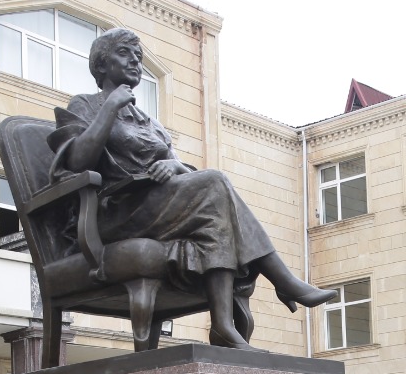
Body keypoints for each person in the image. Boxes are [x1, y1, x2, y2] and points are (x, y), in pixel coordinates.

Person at [52, 28, 334, 348]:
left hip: (158, 208)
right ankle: (284, 282)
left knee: (216, 216)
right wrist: (109, 108)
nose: (135, 61)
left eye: (139, 56)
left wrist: (174, 166)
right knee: (215, 183)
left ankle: (224, 326)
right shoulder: (85, 105)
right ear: (101, 66)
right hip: (116, 213)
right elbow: (77, 162)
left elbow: (180, 168)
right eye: (125, 54)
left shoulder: (150, 122)